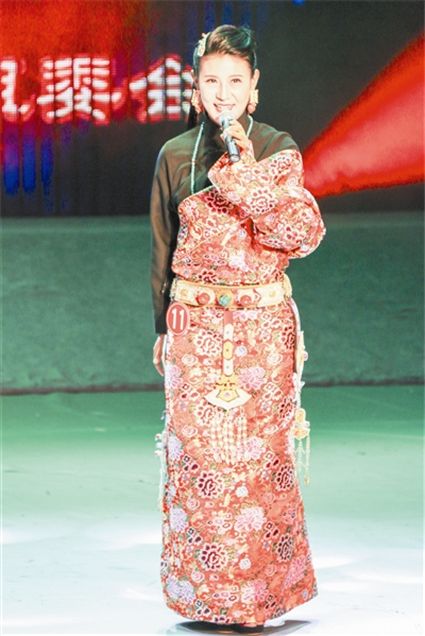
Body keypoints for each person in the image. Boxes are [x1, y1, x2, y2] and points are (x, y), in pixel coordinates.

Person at [150, 24, 325, 634]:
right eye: (211, 81)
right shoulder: (174, 154)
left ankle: (260, 598)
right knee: (200, 462)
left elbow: (301, 235)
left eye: (235, 80)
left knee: (257, 463)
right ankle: (209, 598)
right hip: (194, 328)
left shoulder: (277, 147)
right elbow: (162, 249)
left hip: (262, 331)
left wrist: (243, 166)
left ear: (254, 87)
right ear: (195, 87)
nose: (222, 92)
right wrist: (161, 328)